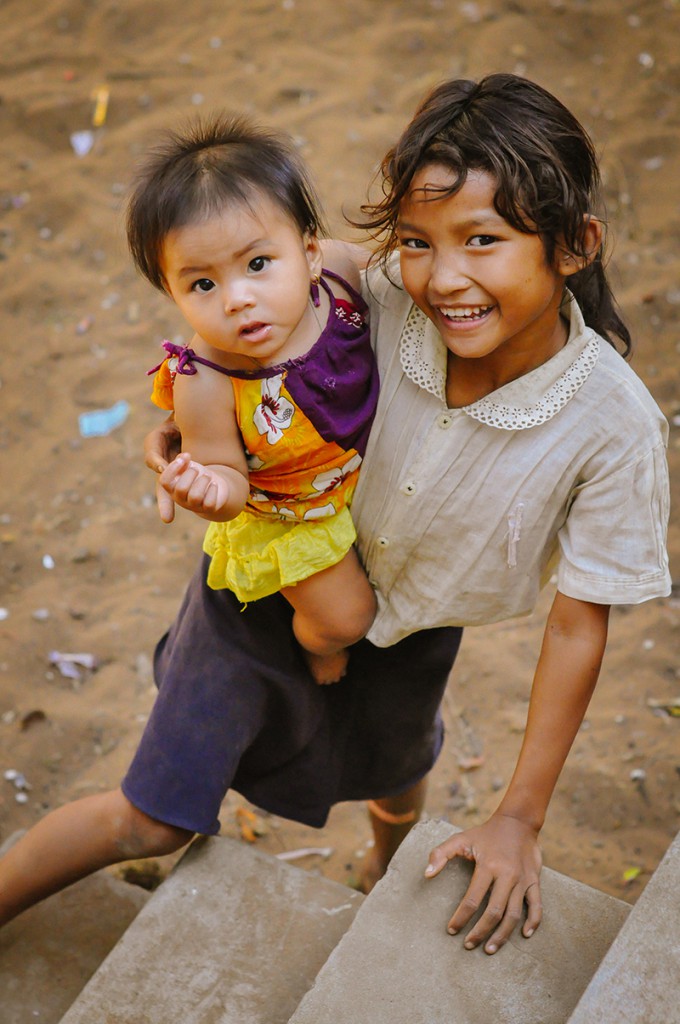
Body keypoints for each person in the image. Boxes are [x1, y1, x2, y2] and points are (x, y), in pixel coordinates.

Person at [0, 75, 670, 958]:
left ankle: (383, 878)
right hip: (261, 589)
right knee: (154, 818)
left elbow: (581, 626)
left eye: (484, 240)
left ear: (576, 245)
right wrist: (179, 438)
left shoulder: (614, 428)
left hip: (415, 629)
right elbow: (245, 350)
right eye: (419, 242)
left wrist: (518, 817)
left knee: (397, 781)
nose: (443, 277)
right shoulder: (386, 290)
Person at [128, 115, 379, 686]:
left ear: (309, 251)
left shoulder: (340, 273)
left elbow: (399, 275)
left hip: (370, 460)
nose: (238, 298)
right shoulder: (206, 375)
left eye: (258, 264)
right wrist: (209, 490)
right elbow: (224, 470)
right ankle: (313, 646)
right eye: (203, 284)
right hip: (294, 510)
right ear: (172, 291)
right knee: (347, 619)